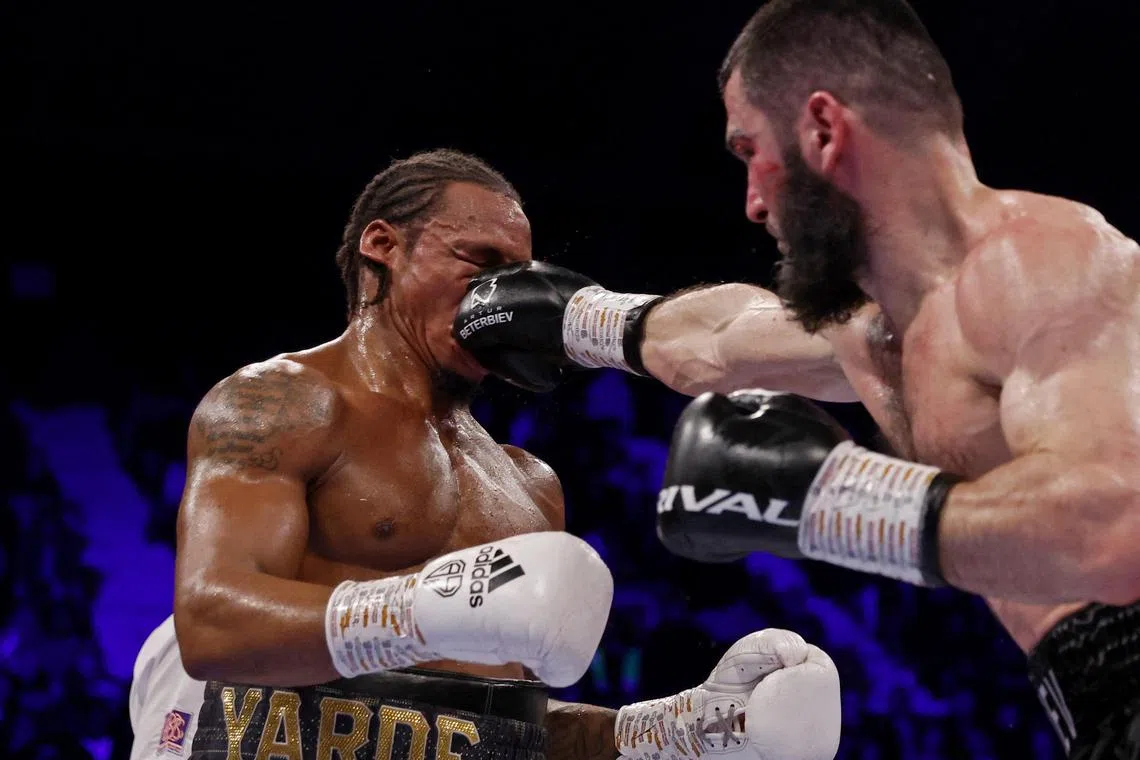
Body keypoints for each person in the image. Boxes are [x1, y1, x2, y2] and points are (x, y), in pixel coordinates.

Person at [450, 1, 1140, 757]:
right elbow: (716, 340)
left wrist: (839, 505)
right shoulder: (879, 324)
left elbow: (1117, 525)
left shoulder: (1044, 266)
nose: (752, 202)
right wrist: (576, 318)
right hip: (1089, 705)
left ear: (822, 130)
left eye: (751, 152)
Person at [128, 148, 842, 760]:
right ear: (383, 246)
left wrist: (670, 730)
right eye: (480, 261)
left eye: (520, 274)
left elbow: (493, 731)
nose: (503, 294)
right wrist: (420, 610)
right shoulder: (283, 401)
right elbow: (213, 627)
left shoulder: (529, 484)